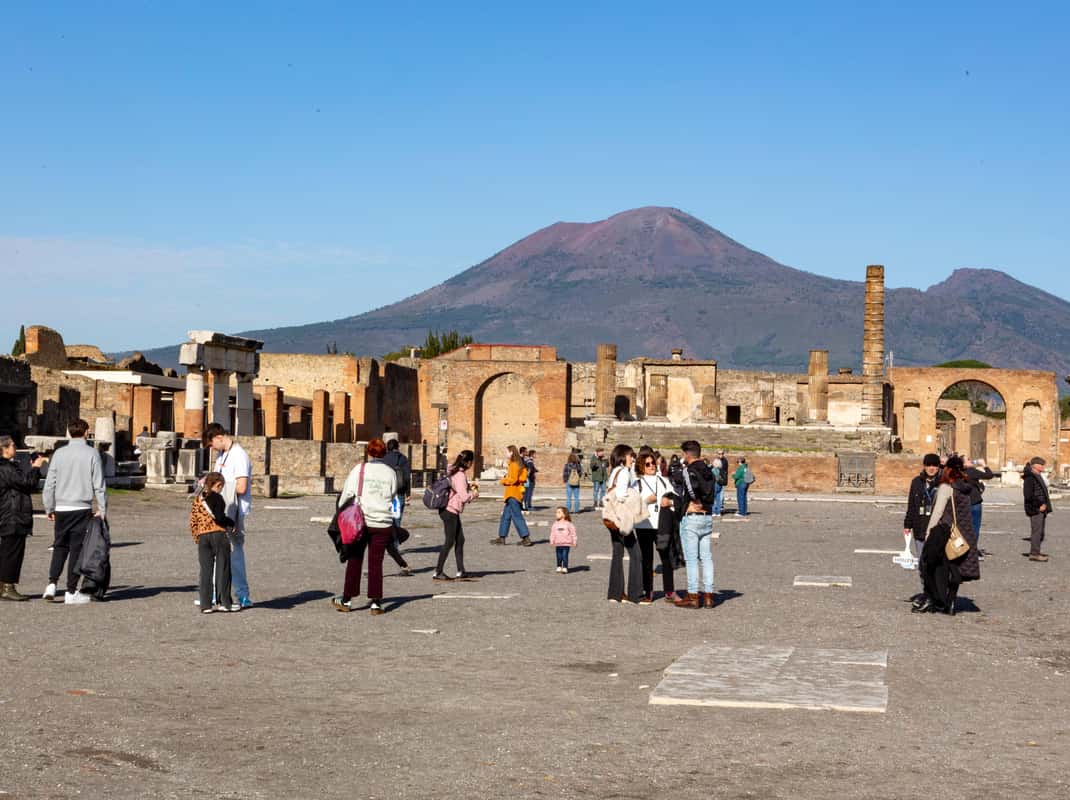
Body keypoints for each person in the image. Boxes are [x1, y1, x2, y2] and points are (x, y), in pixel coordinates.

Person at [42, 418, 107, 605]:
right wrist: (102, 508)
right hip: (81, 507)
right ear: (86, 432)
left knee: (60, 546)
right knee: (76, 550)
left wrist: (49, 507)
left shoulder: (59, 454)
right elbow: (99, 484)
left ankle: (52, 583)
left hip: (62, 507)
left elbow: (49, 484)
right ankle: (71, 591)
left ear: (69, 433)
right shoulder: (92, 453)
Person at [333, 438, 399, 615]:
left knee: (354, 559)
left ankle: (347, 599)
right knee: (376, 563)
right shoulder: (390, 472)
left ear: (369, 452)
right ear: (384, 453)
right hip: (383, 522)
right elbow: (393, 494)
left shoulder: (360, 469)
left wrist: (341, 510)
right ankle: (376, 603)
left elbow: (347, 493)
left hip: (360, 521)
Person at [915, 456, 979, 614]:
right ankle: (950, 602)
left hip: (946, 533)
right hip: (964, 534)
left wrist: (929, 532)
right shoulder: (965, 487)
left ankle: (935, 599)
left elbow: (938, 512)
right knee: (955, 568)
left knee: (932, 565)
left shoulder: (946, 487)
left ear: (947, 469)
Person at [204, 423, 254, 609]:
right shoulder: (221, 455)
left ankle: (243, 595)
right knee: (216, 550)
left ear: (219, 437)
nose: (212, 448)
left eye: (212, 444)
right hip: (220, 508)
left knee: (234, 553)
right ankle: (215, 594)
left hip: (234, 510)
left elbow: (241, 487)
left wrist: (218, 489)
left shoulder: (239, 455)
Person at [0, 436, 45, 601]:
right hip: (13, 516)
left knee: (8, 551)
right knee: (12, 553)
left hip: (10, 514)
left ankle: (4, 585)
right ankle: (7, 587)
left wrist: (31, 468)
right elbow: (27, 483)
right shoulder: (5, 468)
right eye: (12, 445)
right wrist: (36, 468)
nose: (15, 447)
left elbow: (21, 483)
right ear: (4, 449)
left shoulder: (9, 467)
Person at [674, 440, 717, 609]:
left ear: (687, 454)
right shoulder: (709, 470)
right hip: (707, 516)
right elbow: (713, 489)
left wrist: (695, 499)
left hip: (692, 516)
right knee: (706, 557)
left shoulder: (688, 470)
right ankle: (709, 595)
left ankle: (693, 595)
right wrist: (706, 502)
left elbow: (691, 487)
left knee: (691, 559)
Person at [632, 450, 677, 604]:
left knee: (666, 558)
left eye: (653, 463)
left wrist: (669, 502)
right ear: (641, 466)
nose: (652, 466)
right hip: (643, 525)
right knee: (646, 559)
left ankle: (669, 591)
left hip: (661, 525)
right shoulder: (636, 483)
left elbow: (675, 498)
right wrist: (646, 501)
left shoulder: (664, 481)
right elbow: (632, 505)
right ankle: (648, 592)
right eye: (648, 464)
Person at [605, 444, 643, 603]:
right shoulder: (624, 472)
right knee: (636, 554)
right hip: (622, 519)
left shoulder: (614, 471)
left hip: (612, 518)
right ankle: (635, 594)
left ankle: (615, 593)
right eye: (630, 456)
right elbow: (621, 494)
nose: (633, 459)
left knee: (617, 553)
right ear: (622, 456)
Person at [433, 449, 478, 580]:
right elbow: (464, 497)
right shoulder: (460, 475)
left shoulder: (452, 470)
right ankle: (438, 571)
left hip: (448, 509)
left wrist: (468, 486)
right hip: (450, 510)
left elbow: (457, 488)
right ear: (468, 462)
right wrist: (474, 494)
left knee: (460, 540)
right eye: (472, 462)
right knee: (449, 541)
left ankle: (461, 570)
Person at [194, 471, 235, 613]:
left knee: (205, 571)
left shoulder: (198, 499)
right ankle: (224, 602)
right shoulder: (218, 498)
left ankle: (205, 605)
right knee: (223, 569)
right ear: (217, 485)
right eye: (221, 486)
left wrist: (197, 537)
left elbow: (193, 521)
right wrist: (230, 522)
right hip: (218, 535)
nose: (221, 489)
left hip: (202, 536)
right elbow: (219, 517)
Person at [903, 453, 941, 564]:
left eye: (934, 465)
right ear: (924, 466)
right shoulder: (916, 482)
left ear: (938, 467)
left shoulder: (942, 483)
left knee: (935, 562)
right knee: (922, 562)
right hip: (919, 526)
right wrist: (907, 525)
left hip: (936, 529)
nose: (931, 468)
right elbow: (911, 505)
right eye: (928, 465)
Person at [492, 445, 532, 545]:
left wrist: (502, 481)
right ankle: (502, 537)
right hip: (515, 493)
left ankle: (526, 537)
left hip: (512, 494)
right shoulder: (518, 463)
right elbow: (521, 477)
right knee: (506, 516)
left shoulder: (514, 464)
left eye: (507, 452)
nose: (506, 454)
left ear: (511, 452)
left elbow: (513, 479)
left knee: (516, 516)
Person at [1023, 457, 1053, 562]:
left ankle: (1036, 551)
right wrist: (1039, 504)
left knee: (1040, 532)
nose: (1043, 467)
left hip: (1041, 508)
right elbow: (1028, 495)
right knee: (1037, 532)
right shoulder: (1030, 478)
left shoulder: (1037, 475)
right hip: (1035, 509)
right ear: (1035, 465)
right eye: (1042, 465)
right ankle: (1034, 553)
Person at [964, 456, 995, 555]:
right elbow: (989, 475)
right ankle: (972, 550)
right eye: (968, 460)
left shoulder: (959, 473)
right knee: (975, 527)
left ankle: (964, 549)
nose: (971, 460)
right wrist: (984, 465)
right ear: (964, 464)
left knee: (964, 527)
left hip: (963, 503)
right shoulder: (971, 471)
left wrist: (979, 485)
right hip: (974, 503)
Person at [382, 439, 412, 524]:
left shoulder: (383, 458)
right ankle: (396, 532)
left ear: (387, 447)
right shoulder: (403, 458)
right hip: (399, 491)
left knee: (385, 519)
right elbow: (407, 477)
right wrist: (408, 493)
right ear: (398, 447)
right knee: (397, 519)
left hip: (385, 492)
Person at [549, 506, 577, 573]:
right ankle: (559, 566)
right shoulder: (555, 524)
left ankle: (565, 567)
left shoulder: (569, 524)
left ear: (564, 514)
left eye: (559, 512)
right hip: (558, 543)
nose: (556, 514)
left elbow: (573, 533)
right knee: (558, 556)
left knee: (565, 556)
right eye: (556, 512)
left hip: (566, 543)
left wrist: (574, 541)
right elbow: (552, 533)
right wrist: (551, 540)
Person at [711, 451, 728, 517]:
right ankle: (718, 512)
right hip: (720, 484)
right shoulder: (722, 470)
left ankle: (713, 512)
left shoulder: (713, 470)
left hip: (714, 484)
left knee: (713, 498)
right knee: (718, 498)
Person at [521, 448, 537, 512]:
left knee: (528, 493)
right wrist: (529, 475)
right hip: (530, 479)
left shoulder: (528, 460)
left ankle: (527, 505)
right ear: (532, 454)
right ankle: (527, 506)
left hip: (529, 479)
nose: (536, 455)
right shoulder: (529, 461)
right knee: (528, 493)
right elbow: (530, 469)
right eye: (535, 454)